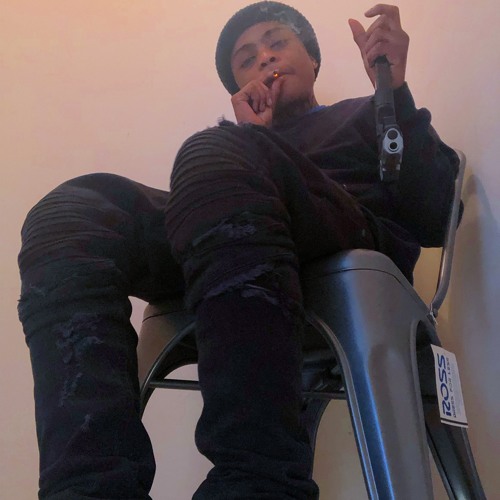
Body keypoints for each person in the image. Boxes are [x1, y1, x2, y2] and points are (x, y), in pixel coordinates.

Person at [17, 2, 459, 499]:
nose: (264, 58)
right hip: (230, 218)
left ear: (314, 60)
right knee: (71, 212)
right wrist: (252, 140)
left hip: (343, 231)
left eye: (277, 43)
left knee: (213, 150)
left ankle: (256, 482)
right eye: (246, 60)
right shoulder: (231, 154)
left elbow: (434, 213)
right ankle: (88, 488)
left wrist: (393, 91)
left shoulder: (367, 111)